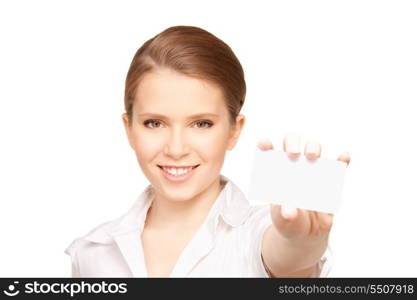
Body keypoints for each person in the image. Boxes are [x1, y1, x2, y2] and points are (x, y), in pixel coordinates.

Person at [64, 25, 350, 277]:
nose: (176, 149)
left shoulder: (256, 233)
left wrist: (301, 242)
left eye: (201, 124)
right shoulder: (92, 253)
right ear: (129, 129)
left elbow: (286, 258)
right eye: (154, 123)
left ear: (234, 130)